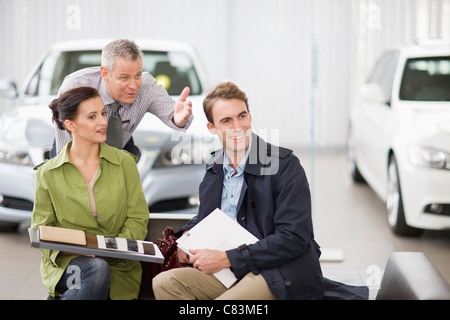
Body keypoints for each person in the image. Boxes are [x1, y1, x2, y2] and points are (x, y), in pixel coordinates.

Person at [152, 81, 325, 300]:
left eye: (242, 116)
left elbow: (293, 237)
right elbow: (207, 216)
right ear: (212, 128)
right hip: (230, 273)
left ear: (250, 116)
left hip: (277, 272)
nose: (238, 126)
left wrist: (227, 258)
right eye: (226, 120)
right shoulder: (215, 166)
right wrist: (187, 235)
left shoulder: (284, 165)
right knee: (165, 284)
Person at [31, 86, 150, 300]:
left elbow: (138, 219)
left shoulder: (125, 163)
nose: (103, 122)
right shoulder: (47, 174)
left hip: (120, 267)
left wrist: (107, 249)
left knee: (99, 269)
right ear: (71, 125)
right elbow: (42, 229)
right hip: (68, 267)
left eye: (103, 113)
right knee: (96, 269)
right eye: (92, 116)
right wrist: (75, 248)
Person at [50, 38, 193, 159]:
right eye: (124, 78)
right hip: (76, 152)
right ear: (105, 74)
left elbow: (175, 115)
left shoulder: (146, 86)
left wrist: (180, 119)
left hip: (120, 150)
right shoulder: (75, 86)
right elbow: (63, 146)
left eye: (137, 75)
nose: (133, 85)